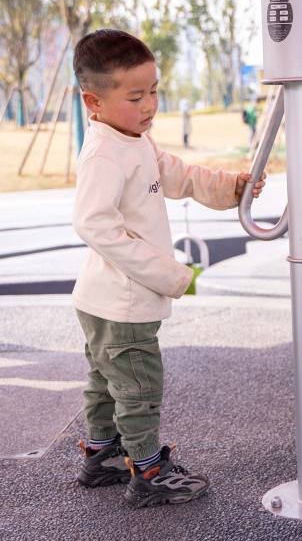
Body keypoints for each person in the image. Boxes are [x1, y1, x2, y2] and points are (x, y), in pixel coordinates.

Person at [71, 30, 265, 508]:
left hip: (103, 299)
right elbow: (94, 224)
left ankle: (102, 455)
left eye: (154, 90)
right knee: (139, 387)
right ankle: (149, 471)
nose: (149, 104)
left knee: (105, 380)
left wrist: (231, 187)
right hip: (123, 300)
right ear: (93, 101)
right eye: (135, 96)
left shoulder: (136, 139)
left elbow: (177, 175)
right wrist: (170, 274)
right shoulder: (103, 153)